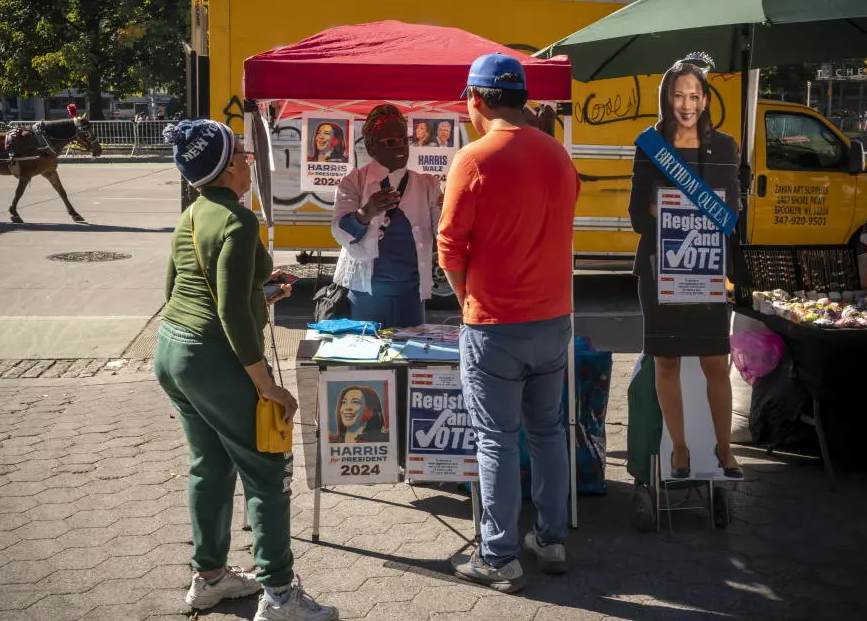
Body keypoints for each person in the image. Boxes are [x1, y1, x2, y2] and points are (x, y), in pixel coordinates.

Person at [156, 119, 338, 621]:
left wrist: (265, 291)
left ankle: (209, 577)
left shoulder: (193, 212)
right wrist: (267, 386)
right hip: (214, 359)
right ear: (227, 166)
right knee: (268, 470)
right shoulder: (238, 220)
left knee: (209, 465)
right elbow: (231, 313)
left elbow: (179, 291)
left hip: (173, 352)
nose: (248, 159)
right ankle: (279, 594)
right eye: (241, 152)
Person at [438, 53, 580, 593]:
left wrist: (467, 298)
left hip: (495, 323)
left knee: (495, 438)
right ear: (521, 98)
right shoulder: (558, 155)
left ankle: (498, 556)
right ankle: (551, 537)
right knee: (547, 432)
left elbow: (450, 249)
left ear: (474, 98)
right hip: (553, 319)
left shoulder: (472, 159)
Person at [628, 53, 743, 480]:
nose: (687, 104)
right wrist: (664, 208)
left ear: (707, 99)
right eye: (679, 95)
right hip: (660, 269)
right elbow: (638, 216)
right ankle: (679, 449)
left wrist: (707, 205)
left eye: (695, 95)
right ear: (667, 99)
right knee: (668, 361)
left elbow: (731, 213)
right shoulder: (650, 144)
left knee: (715, 360)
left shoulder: (726, 146)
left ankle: (725, 450)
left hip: (707, 269)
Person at [331, 104, 442, 328]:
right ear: (372, 148)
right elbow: (339, 230)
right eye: (391, 142)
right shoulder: (354, 181)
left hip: (410, 294)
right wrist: (366, 213)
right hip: (367, 295)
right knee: (366, 357)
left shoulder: (427, 184)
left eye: (404, 139)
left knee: (411, 355)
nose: (401, 146)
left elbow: (441, 231)